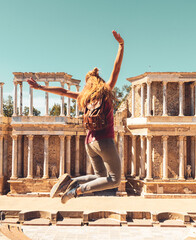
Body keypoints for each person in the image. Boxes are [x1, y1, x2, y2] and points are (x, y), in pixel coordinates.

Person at [26, 30, 124, 204]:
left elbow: (63, 91)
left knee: (100, 179)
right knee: (114, 180)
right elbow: (116, 69)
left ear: (88, 83)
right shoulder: (105, 91)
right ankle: (76, 188)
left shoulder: (84, 97)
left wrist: (40, 87)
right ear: (99, 80)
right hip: (104, 141)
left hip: (89, 143)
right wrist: (121, 46)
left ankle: (71, 182)